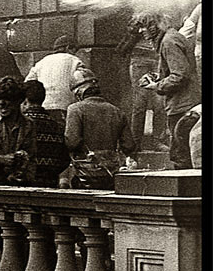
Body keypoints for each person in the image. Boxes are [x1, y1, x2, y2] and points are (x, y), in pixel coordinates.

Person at [140, 13, 200, 170]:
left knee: (181, 155)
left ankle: (187, 192)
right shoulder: (172, 38)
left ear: (154, 27)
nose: (141, 31)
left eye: (143, 26)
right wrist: (156, 77)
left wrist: (157, 86)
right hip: (186, 103)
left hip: (182, 106)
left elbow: (180, 75)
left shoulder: (168, 42)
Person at [65, 71, 136, 187]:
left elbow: (72, 142)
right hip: (110, 175)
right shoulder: (117, 111)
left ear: (79, 93)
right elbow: (129, 145)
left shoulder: (75, 109)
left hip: (84, 175)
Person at [115, 18, 168, 154]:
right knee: (140, 103)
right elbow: (127, 39)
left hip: (156, 58)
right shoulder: (138, 15)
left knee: (159, 102)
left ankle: (157, 141)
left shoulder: (160, 14)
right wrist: (136, 26)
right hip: (139, 60)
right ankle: (135, 142)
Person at [24, 35, 88, 121]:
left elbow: (28, 83)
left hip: (43, 107)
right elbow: (83, 84)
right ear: (68, 47)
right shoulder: (75, 61)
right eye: (74, 50)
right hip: (66, 108)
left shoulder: (41, 62)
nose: (75, 53)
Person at [21, 80, 71, 187]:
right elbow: (65, 160)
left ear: (25, 101)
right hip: (50, 186)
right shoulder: (58, 126)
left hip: (23, 186)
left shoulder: (20, 124)